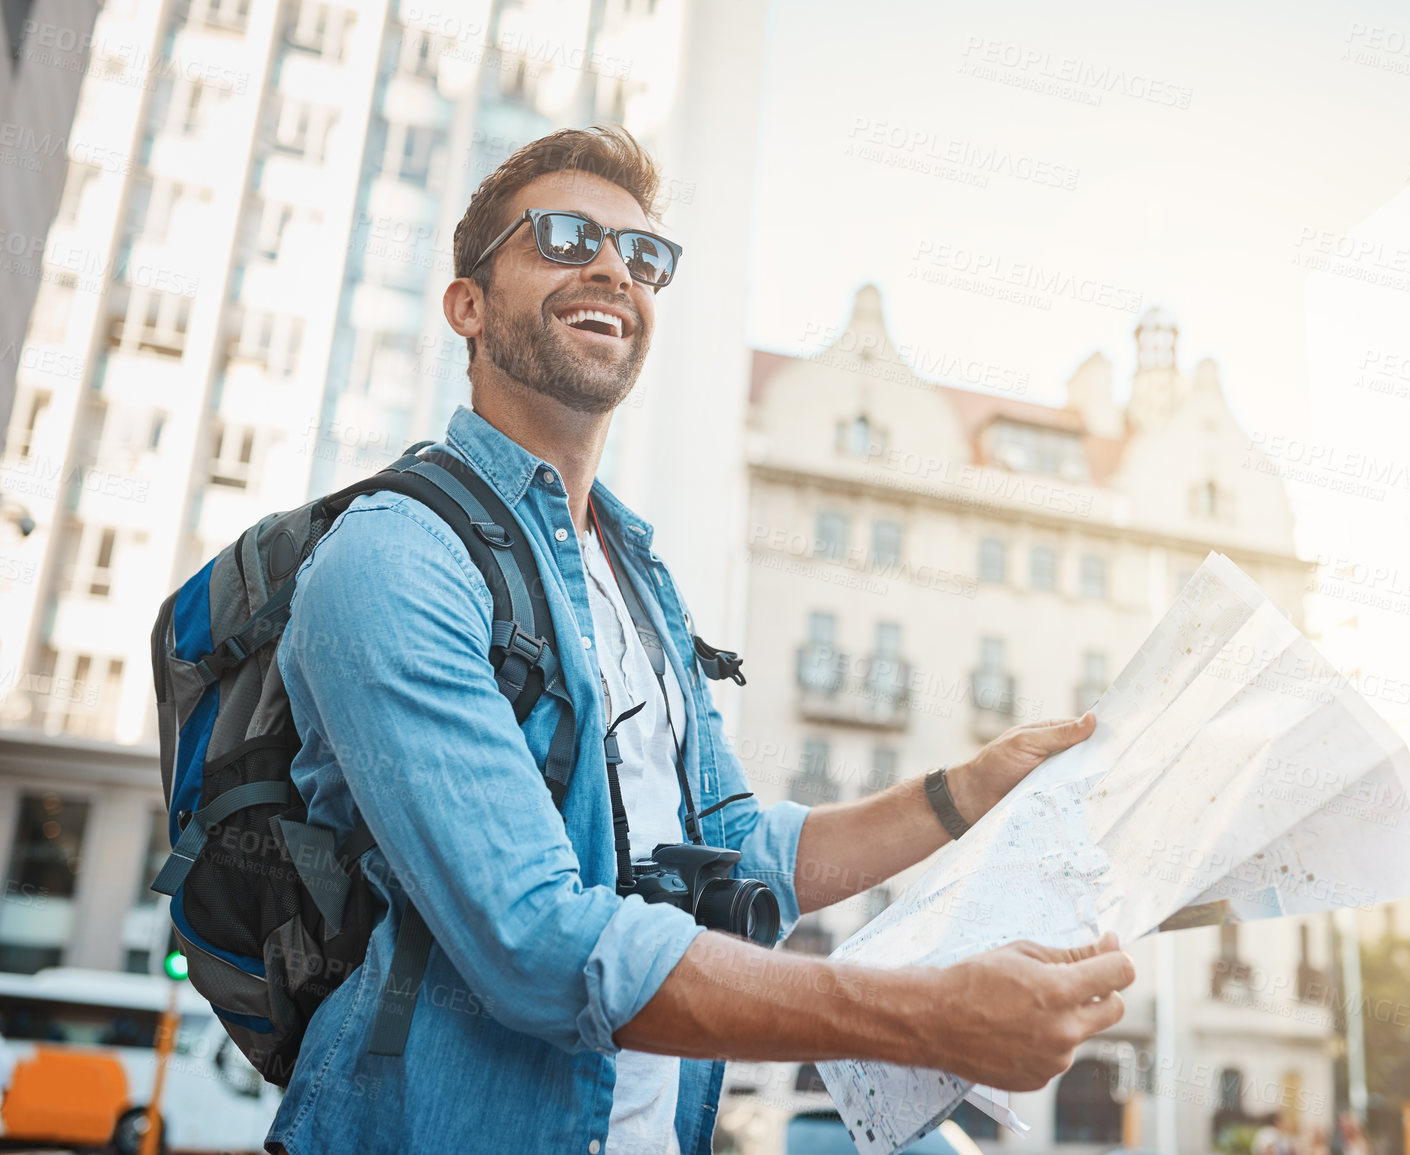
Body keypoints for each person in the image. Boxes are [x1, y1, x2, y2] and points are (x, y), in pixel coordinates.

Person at [262, 124, 1133, 1155]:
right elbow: (537, 944)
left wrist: (967, 792)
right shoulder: (395, 559)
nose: (609, 269)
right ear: (467, 303)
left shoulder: (636, 577)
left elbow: (737, 856)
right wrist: (926, 1013)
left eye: (642, 256)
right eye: (562, 236)